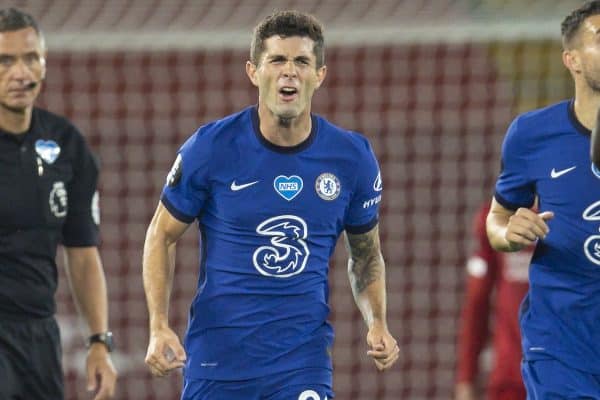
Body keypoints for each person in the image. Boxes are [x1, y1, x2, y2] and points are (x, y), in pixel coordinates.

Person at [143, 10, 398, 400]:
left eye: (302, 62)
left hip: (301, 362)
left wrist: (377, 321)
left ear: (320, 75)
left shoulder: (351, 159)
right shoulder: (211, 148)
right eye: (277, 60)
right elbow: (161, 235)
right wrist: (158, 324)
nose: (289, 72)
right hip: (217, 360)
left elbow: (365, 256)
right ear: (253, 71)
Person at [0, 8, 117, 400]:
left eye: (31, 58)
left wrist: (99, 342)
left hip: (38, 339)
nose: (21, 72)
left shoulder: (66, 144)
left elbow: (82, 253)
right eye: (5, 60)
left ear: (44, 62)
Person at [487, 1, 600, 397]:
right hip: (559, 346)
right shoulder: (532, 134)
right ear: (572, 60)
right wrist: (510, 233)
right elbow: (496, 219)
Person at [455, 204, 530, 400]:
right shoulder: (497, 216)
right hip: (510, 380)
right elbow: (477, 303)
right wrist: (466, 377)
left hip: (567, 378)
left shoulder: (582, 215)